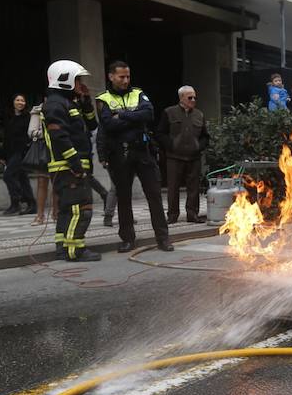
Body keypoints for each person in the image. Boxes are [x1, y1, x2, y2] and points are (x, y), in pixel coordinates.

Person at [96, 60, 172, 252]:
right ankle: (128, 239)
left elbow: (148, 114)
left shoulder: (138, 93)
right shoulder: (103, 99)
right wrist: (133, 118)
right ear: (111, 76)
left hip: (143, 152)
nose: (125, 80)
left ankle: (163, 238)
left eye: (128, 76)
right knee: (124, 198)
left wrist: (120, 115)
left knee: (154, 195)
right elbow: (108, 125)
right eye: (121, 77)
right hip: (119, 154)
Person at [42, 59, 101, 262]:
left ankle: (62, 247)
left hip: (71, 167)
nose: (81, 84)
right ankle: (75, 249)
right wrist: (75, 165)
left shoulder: (68, 103)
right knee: (81, 209)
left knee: (67, 210)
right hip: (68, 167)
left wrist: (86, 100)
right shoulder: (55, 104)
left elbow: (92, 124)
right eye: (78, 80)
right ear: (65, 80)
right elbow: (60, 138)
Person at [157, 85, 209, 223]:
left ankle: (192, 214)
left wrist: (199, 147)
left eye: (194, 97)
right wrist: (171, 146)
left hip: (194, 157)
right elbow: (161, 133)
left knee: (194, 187)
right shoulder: (169, 112)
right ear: (181, 98)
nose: (193, 100)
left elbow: (205, 136)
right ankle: (172, 215)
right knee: (173, 187)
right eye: (190, 97)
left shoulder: (199, 114)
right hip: (174, 157)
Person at [1, 93, 37, 216]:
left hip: (22, 152)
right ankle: (32, 204)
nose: (20, 102)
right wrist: (3, 156)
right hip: (11, 152)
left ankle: (16, 202)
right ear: (13, 102)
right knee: (22, 178)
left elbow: (29, 135)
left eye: (22, 100)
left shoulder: (28, 117)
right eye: (18, 100)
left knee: (8, 176)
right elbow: (6, 137)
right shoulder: (9, 117)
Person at [27, 102, 58, 225]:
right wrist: (48, 131)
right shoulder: (38, 110)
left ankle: (56, 213)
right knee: (42, 182)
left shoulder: (61, 107)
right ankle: (40, 215)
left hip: (57, 147)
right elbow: (31, 132)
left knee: (57, 182)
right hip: (43, 149)